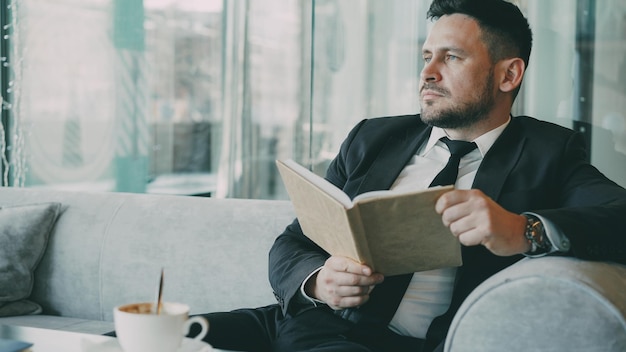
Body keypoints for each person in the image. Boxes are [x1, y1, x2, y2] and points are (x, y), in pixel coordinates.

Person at [196, 0, 626, 351]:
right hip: (292, 323)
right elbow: (294, 240)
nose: (427, 72)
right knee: (151, 333)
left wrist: (523, 229)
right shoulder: (373, 137)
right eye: (426, 56)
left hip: (385, 343)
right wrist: (318, 280)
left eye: (451, 57)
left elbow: (619, 215)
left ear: (508, 74)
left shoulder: (548, 153)